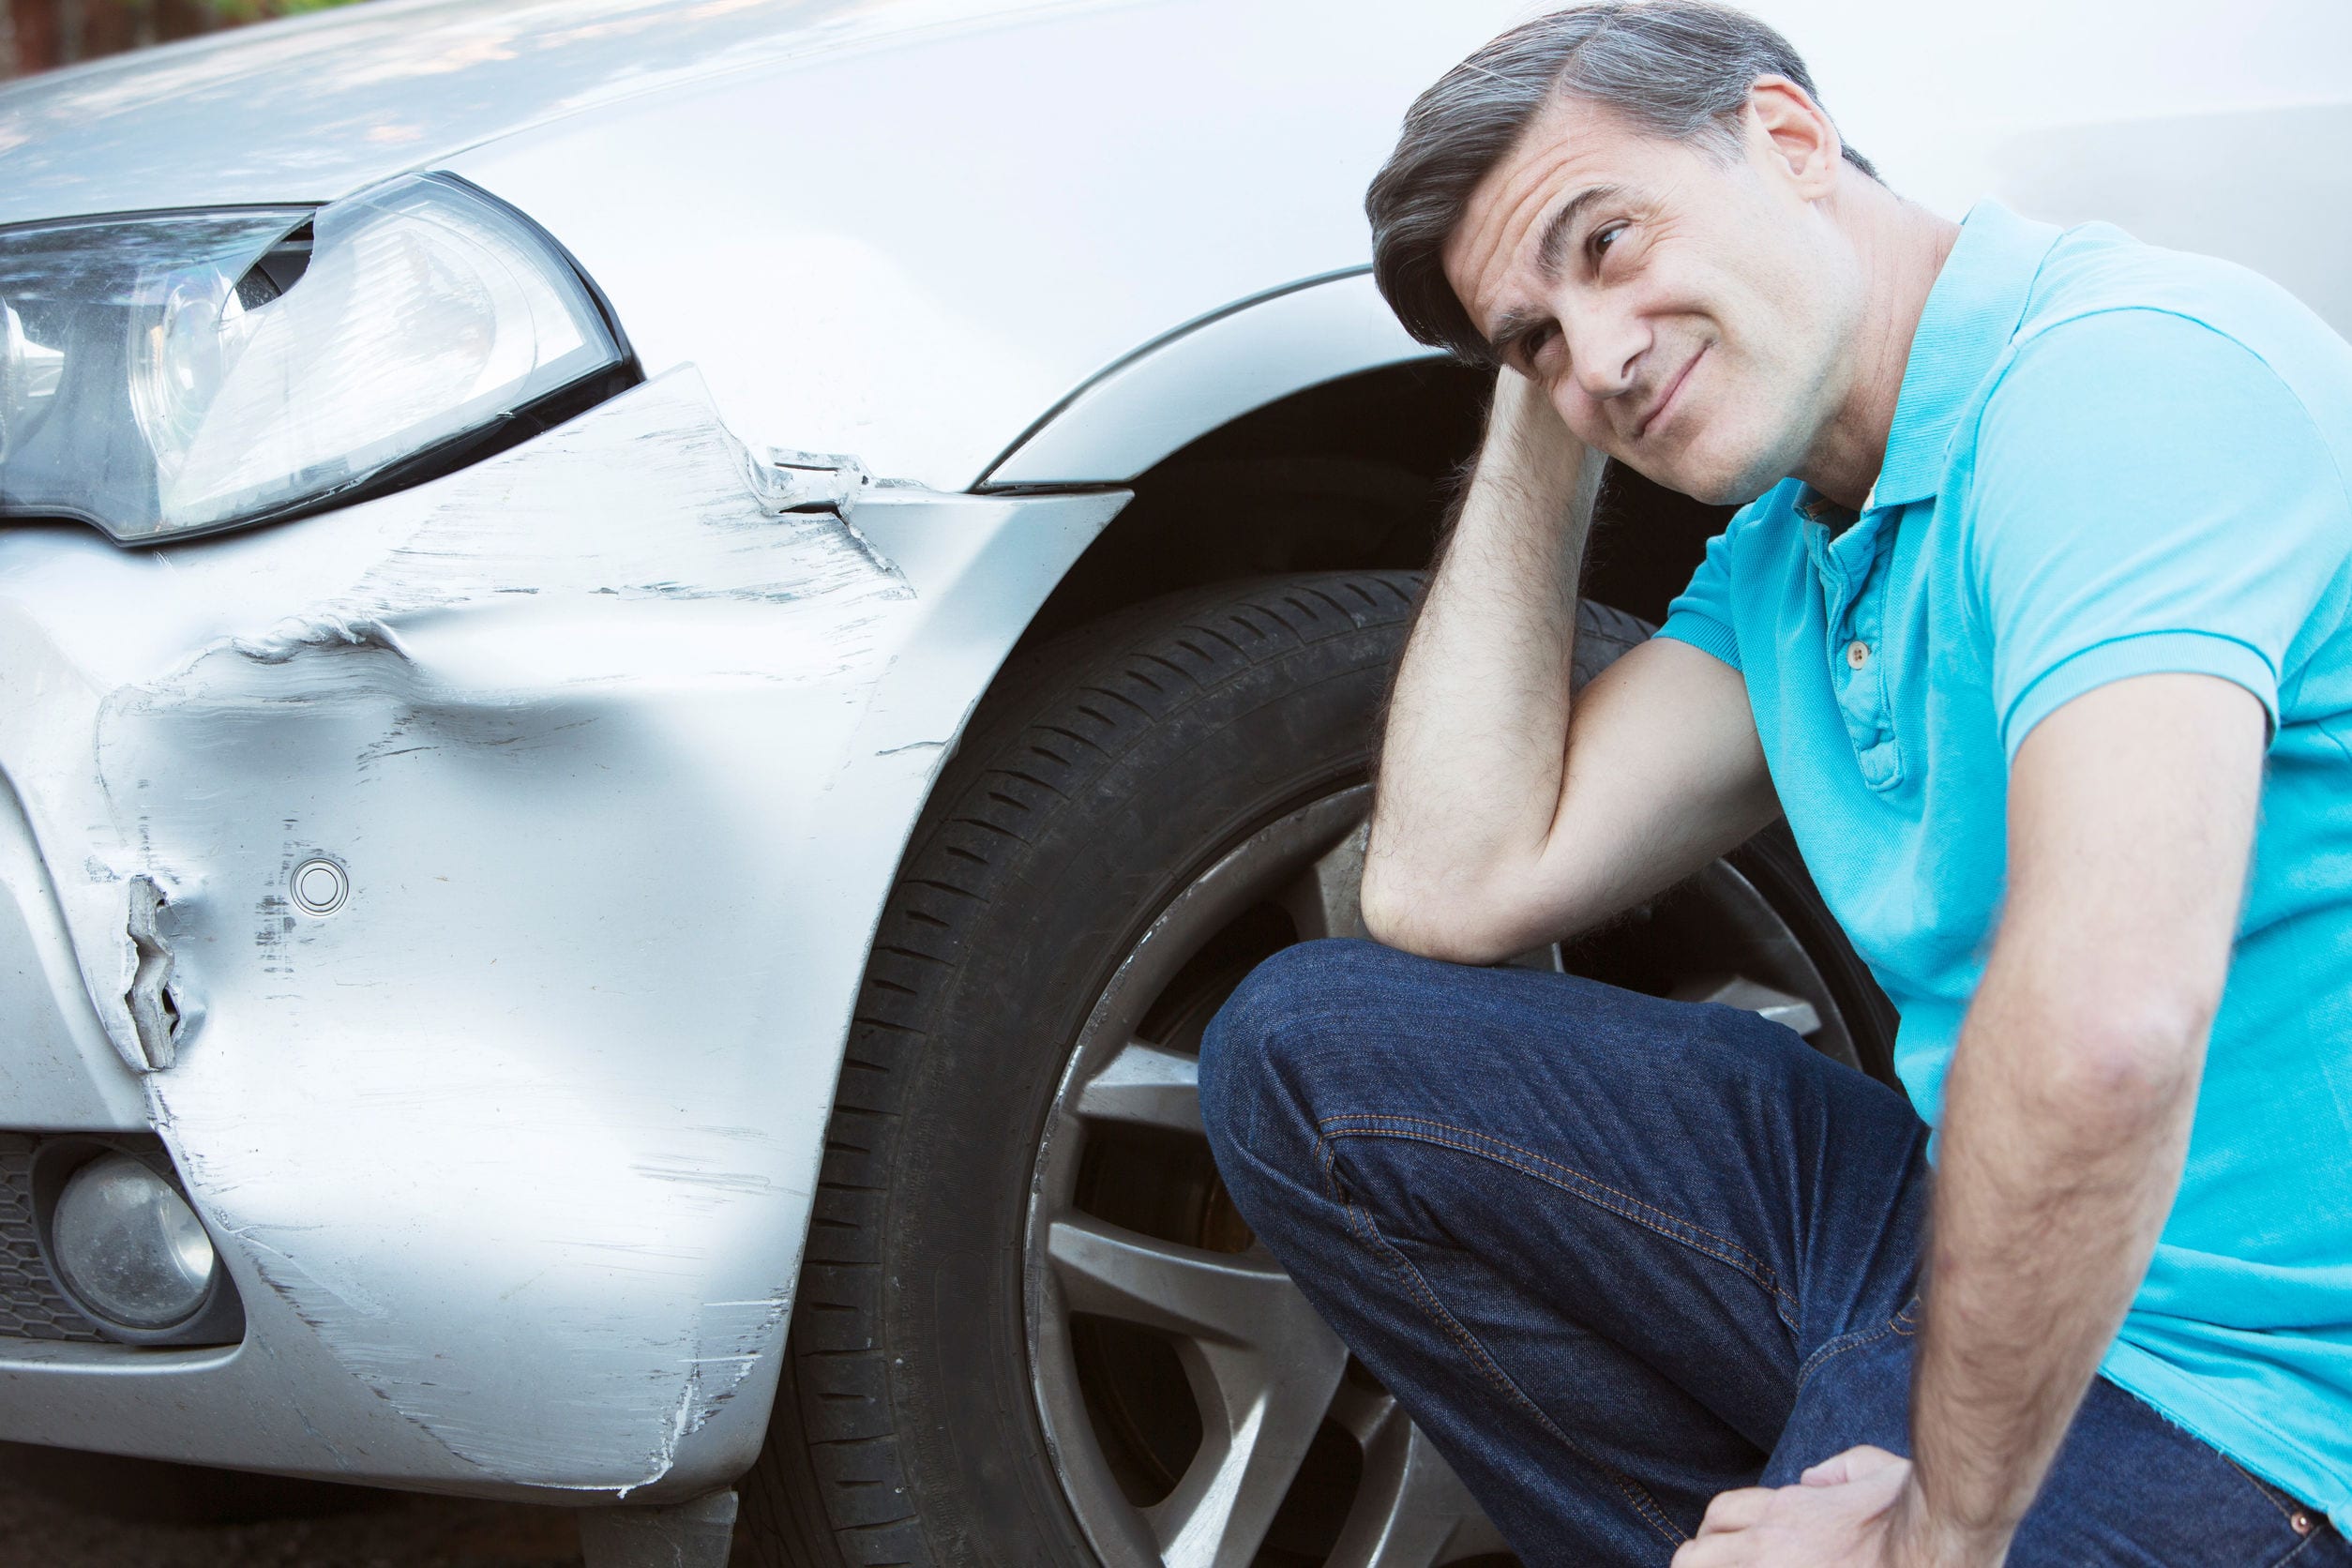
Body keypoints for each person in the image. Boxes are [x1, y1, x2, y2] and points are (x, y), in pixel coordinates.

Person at [1195, 4, 2352, 1565]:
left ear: (1792, 142)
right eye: (1533, 339)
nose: (1592, 355)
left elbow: (2103, 1033)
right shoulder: (1794, 551)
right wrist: (1550, 405)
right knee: (1310, 1053)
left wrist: (1931, 1538)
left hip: (2268, 1387)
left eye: (1606, 240)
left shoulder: (2114, 394)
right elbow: (1450, 885)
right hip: (1966, 1229)